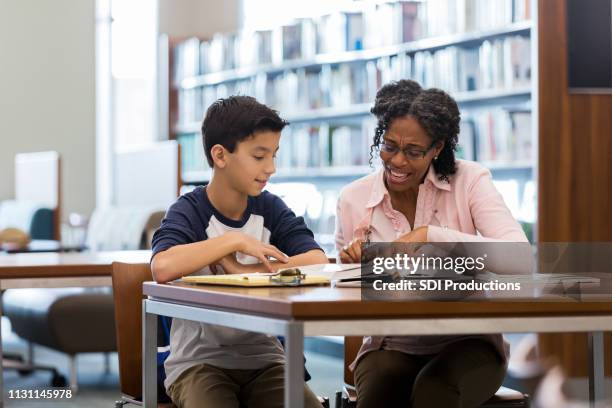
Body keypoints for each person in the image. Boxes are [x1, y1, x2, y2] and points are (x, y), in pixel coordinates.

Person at [335, 80, 528, 407]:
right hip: (390, 343)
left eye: (413, 152)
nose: (397, 161)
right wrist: (352, 266)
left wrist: (431, 236)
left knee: (433, 392)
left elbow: (521, 260)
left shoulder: (470, 180)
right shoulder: (353, 199)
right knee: (379, 396)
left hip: (471, 342)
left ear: (437, 147)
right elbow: (347, 291)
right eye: (389, 146)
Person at [151, 96, 327, 408]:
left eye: (273, 155)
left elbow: (316, 260)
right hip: (199, 363)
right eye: (259, 156)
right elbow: (162, 267)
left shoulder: (270, 207)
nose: (270, 168)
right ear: (220, 155)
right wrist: (231, 242)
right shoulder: (188, 210)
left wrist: (247, 272)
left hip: (265, 359)